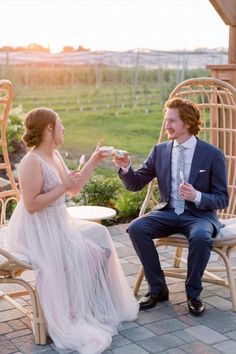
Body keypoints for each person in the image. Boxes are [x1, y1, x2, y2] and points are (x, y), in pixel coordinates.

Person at [5, 107, 138, 354]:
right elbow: (32, 205)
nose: (63, 128)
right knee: (82, 251)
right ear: (48, 129)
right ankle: (74, 310)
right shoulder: (31, 161)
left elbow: (73, 189)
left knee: (101, 236)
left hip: (59, 221)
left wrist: (94, 160)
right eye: (60, 123)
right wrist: (61, 187)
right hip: (38, 228)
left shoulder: (54, 156)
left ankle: (92, 303)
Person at [113, 97, 228, 316]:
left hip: (200, 216)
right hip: (168, 212)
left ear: (186, 122)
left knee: (202, 237)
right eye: (166, 121)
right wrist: (126, 167)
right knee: (137, 228)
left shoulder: (212, 154)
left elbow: (223, 198)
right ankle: (158, 288)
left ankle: (193, 293)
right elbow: (136, 183)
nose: (167, 126)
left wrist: (197, 196)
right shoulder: (160, 151)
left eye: (172, 121)